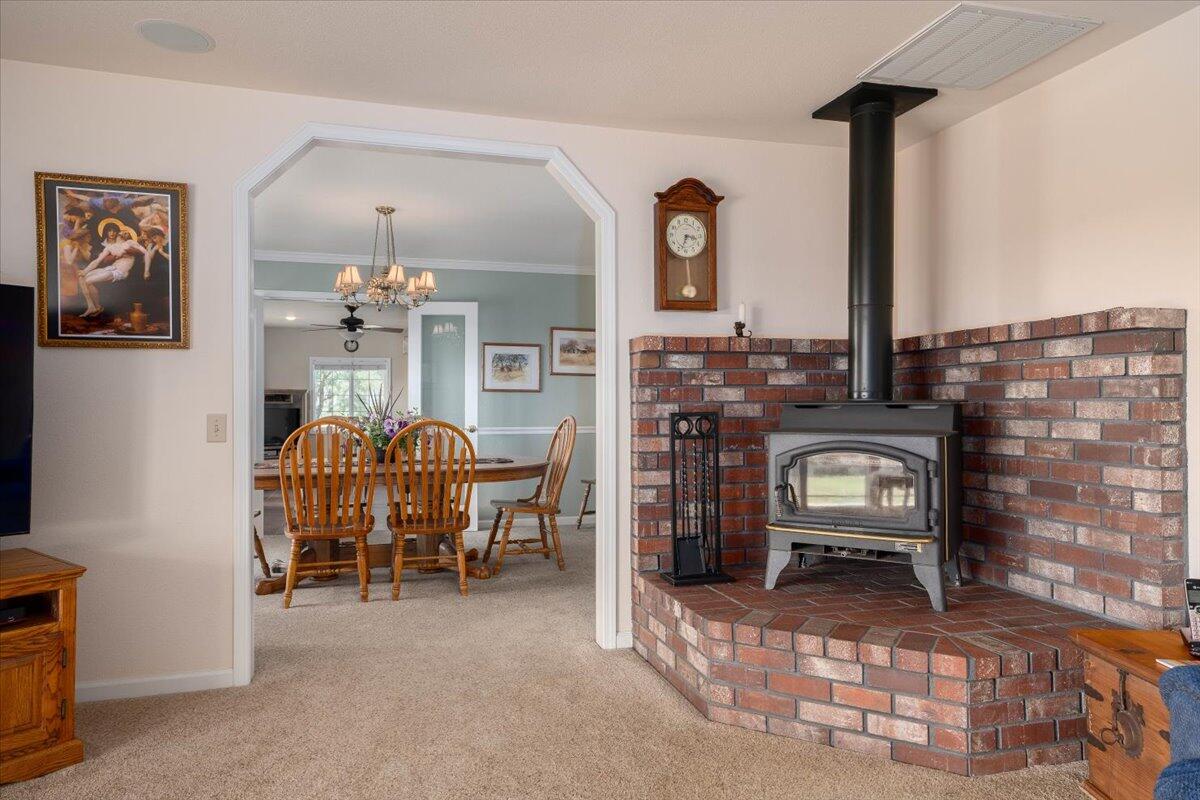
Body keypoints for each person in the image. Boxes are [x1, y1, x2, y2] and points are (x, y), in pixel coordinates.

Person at [76, 229, 150, 318]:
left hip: (120, 272)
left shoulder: (130, 243)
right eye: (123, 231)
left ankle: (94, 307)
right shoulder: (110, 247)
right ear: (117, 234)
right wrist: (85, 271)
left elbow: (146, 253)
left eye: (127, 232)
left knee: (87, 281)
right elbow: (97, 261)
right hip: (111, 269)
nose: (124, 233)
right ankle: (92, 306)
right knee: (82, 278)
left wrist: (146, 271)